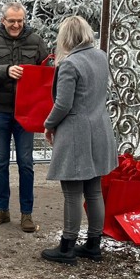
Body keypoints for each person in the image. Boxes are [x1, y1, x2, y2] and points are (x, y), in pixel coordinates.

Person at [41, 16, 117, 264]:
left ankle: (67, 246)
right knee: (94, 190)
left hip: (76, 133)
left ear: (66, 37)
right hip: (99, 129)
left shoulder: (70, 64)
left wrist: (48, 124)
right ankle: (94, 244)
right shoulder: (101, 56)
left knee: (72, 192)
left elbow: (63, 104)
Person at [0, 1, 49, 233]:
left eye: (20, 21)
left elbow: (47, 70)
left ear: (24, 20)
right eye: (12, 21)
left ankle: (26, 213)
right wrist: (7, 70)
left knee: (26, 163)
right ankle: (2, 209)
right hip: (0, 109)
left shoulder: (36, 41)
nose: (16, 25)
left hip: (26, 112)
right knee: (0, 163)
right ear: (3, 21)